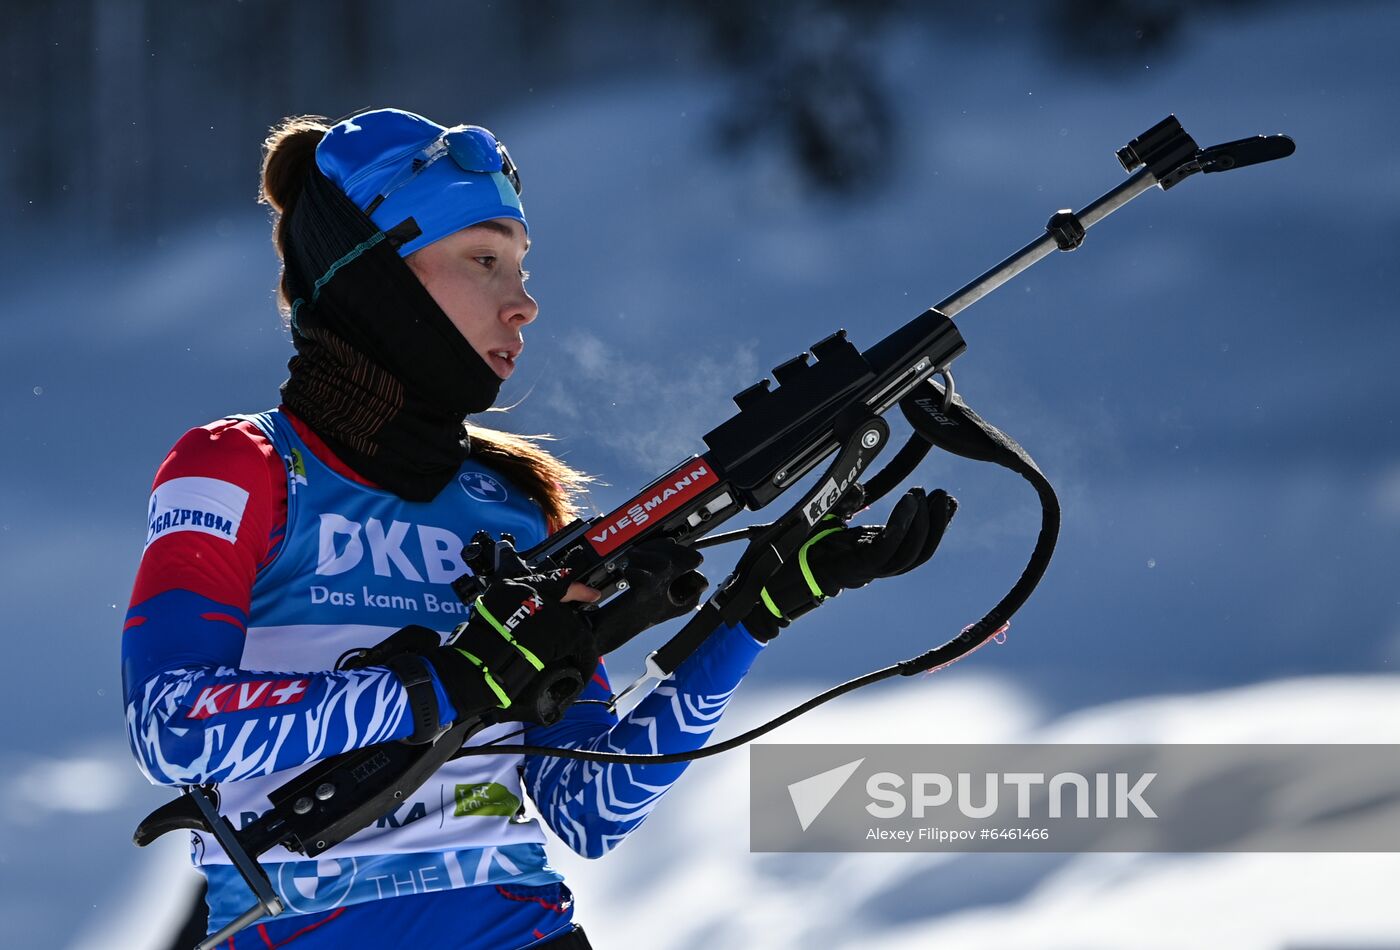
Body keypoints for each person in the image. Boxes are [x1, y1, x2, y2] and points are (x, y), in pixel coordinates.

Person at [121, 107, 953, 949]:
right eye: (484, 260)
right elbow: (172, 724)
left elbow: (587, 809)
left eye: (520, 266)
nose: (523, 304)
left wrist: (751, 618)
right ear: (377, 277)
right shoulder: (243, 465)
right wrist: (445, 683)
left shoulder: (514, 506)